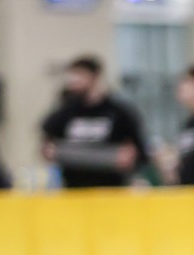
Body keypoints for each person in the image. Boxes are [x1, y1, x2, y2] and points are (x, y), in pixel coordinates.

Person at [40, 55, 147, 189]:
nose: (73, 81)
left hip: (111, 189)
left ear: (95, 77)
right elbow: (47, 144)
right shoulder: (65, 113)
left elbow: (139, 152)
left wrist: (131, 159)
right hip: (74, 190)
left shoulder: (119, 112)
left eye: (79, 76)